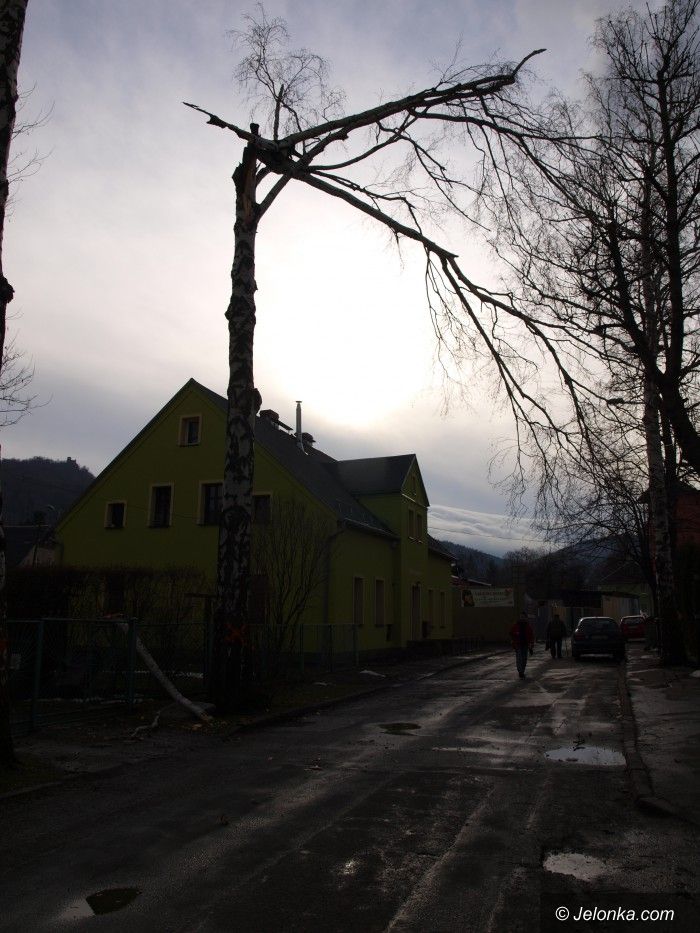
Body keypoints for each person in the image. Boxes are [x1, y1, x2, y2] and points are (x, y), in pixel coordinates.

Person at [509, 612, 535, 678]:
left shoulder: (528, 626)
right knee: (519, 658)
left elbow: (531, 635)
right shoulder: (516, 625)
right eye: (521, 617)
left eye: (523, 617)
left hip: (525, 645)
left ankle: (522, 671)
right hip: (518, 645)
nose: (522, 618)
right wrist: (514, 638)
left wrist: (531, 645)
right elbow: (511, 633)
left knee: (524, 659)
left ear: (525, 618)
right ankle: (520, 671)